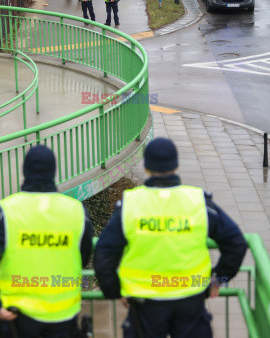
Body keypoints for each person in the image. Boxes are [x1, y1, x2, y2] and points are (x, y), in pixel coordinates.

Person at [94, 137, 247, 338]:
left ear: (147, 168)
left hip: (145, 305)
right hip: (190, 303)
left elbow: (103, 256)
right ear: (176, 166)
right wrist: (218, 279)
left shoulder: (131, 205)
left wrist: (116, 291)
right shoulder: (198, 202)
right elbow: (236, 243)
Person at [0, 145, 92, 338]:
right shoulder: (76, 210)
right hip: (63, 316)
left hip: (17, 318)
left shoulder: (6, 211)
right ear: (53, 171)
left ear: (25, 171)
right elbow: (83, 254)